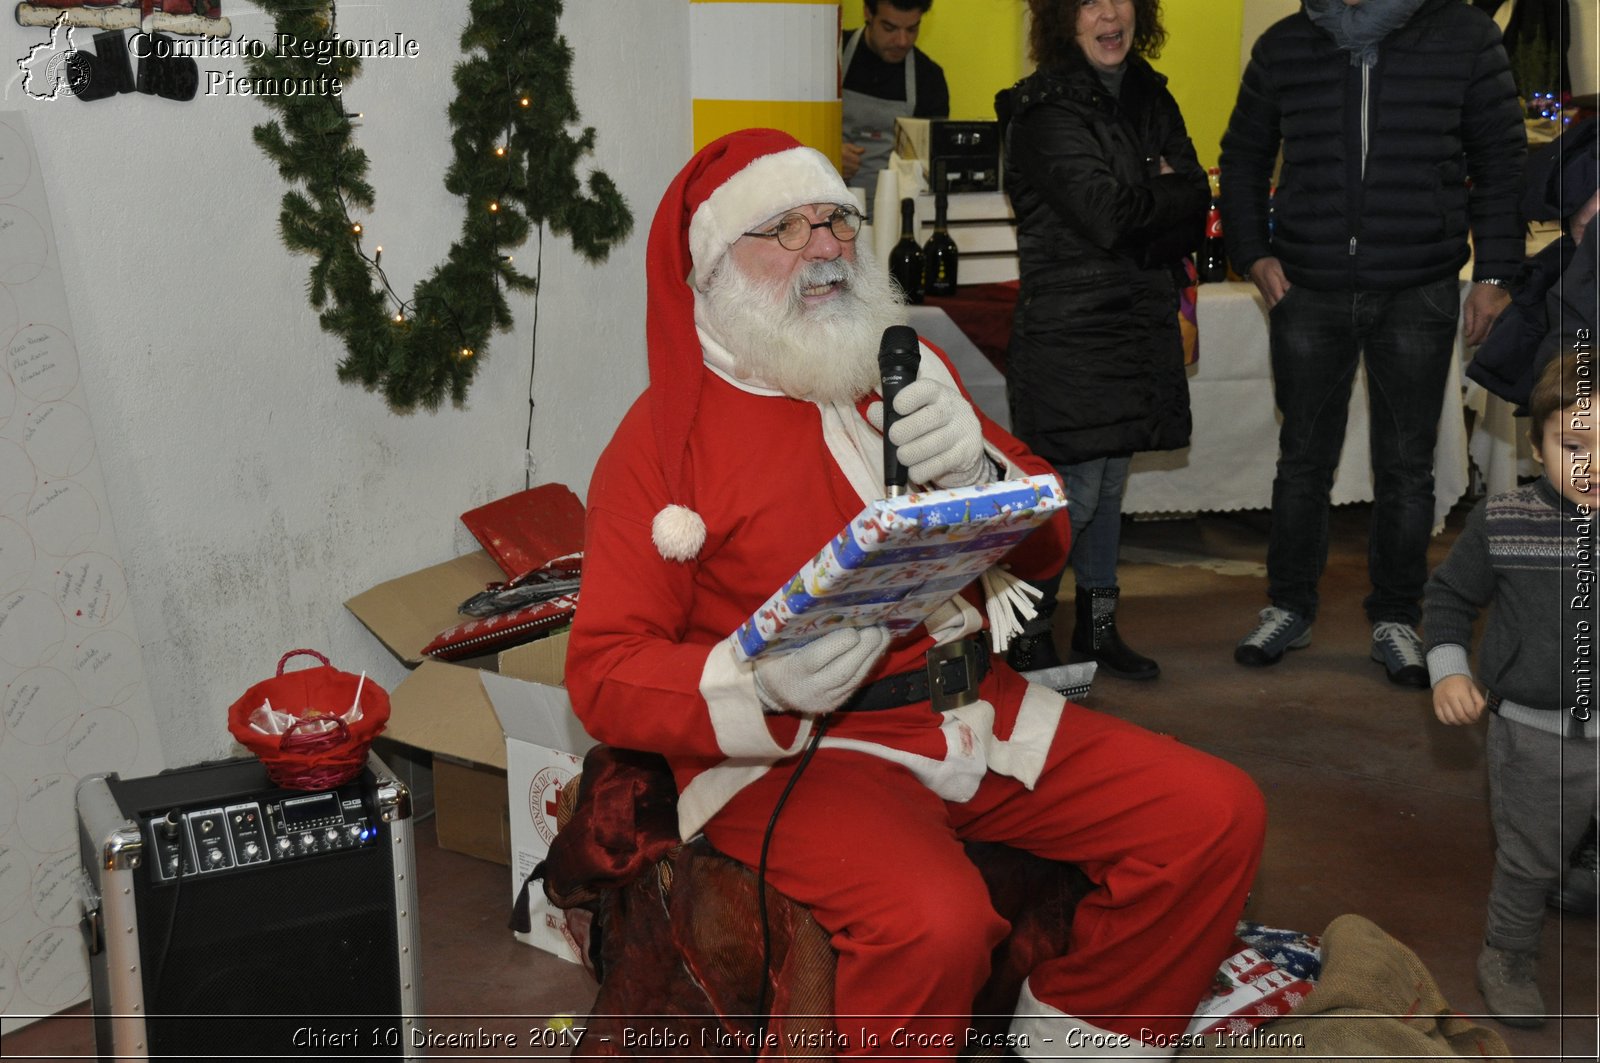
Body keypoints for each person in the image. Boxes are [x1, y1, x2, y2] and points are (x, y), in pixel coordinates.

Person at [565, 127, 1266, 1060]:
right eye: (783, 227)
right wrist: (758, 681)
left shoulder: (899, 372)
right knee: (933, 920)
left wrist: (977, 463)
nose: (823, 245)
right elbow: (604, 672)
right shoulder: (658, 441)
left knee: (1215, 814)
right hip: (802, 755)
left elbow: (1048, 537)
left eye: (836, 220)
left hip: (973, 707)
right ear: (710, 270)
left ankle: (1077, 1045)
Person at [1220, 0, 1526, 685]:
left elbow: (1502, 158)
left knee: (1407, 468)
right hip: (1308, 287)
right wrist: (1251, 249)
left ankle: (1396, 615)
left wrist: (1497, 271)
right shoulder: (1285, 45)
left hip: (1418, 286)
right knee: (1302, 460)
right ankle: (1289, 606)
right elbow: (1242, 155)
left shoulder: (1465, 37)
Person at [997, 0, 1206, 682]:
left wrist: (1172, 198)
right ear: (1063, 18)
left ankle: (1098, 626)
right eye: (1089, 1)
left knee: (1111, 489)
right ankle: (1026, 636)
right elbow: (1109, 216)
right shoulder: (1043, 110)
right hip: (1072, 332)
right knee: (1073, 496)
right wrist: (1167, 194)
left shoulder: (1150, 92)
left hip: (1137, 322)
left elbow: (1197, 201)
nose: (1110, 13)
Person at [1423, 350, 1598, 1029]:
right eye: (1573, 444)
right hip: (1533, 734)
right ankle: (1508, 955)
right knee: (1528, 860)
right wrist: (1449, 670)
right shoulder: (1503, 519)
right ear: (1534, 443)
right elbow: (1448, 599)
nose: (1593, 464)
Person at [841, 0, 950, 202]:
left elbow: (931, 162)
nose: (902, 41)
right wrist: (825, 152)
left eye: (912, 29)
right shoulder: (833, 53)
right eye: (889, 28)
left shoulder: (928, 78)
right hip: (824, 208)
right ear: (868, 13)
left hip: (896, 213)